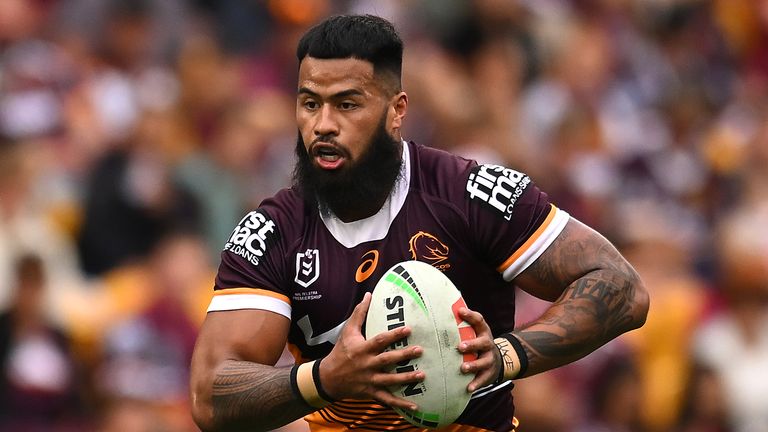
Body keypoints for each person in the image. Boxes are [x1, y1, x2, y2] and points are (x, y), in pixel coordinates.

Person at [190, 14, 649, 432]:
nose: (322, 125)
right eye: (310, 104)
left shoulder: (469, 194)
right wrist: (324, 377)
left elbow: (623, 288)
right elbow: (209, 394)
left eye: (346, 105)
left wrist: (508, 355)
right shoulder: (272, 232)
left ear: (397, 111)